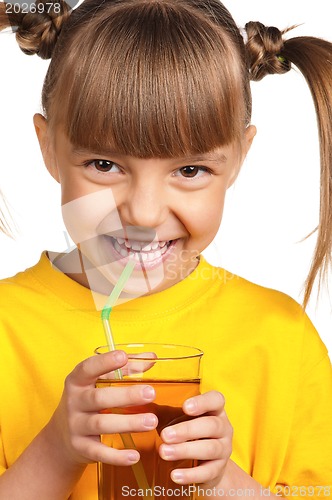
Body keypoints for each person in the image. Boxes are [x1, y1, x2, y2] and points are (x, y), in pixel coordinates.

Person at [0, 1, 331, 499]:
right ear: (48, 147)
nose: (144, 213)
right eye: (105, 164)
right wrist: (55, 452)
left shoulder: (280, 339)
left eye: (191, 171)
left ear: (240, 158)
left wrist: (224, 482)